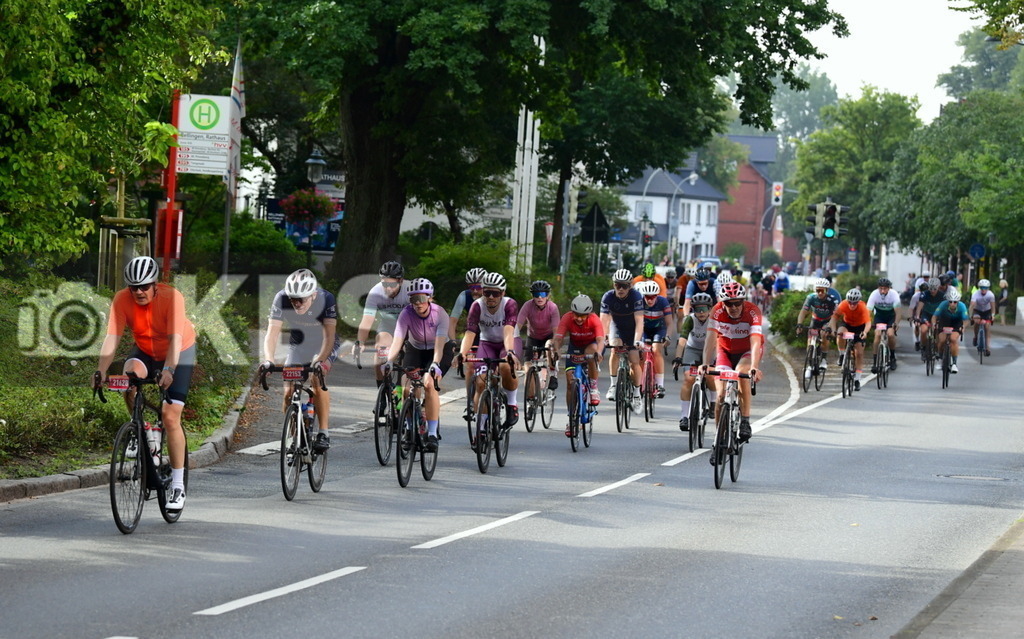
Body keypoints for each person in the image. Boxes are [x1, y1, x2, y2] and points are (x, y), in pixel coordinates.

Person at [94, 256, 195, 511]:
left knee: (170, 416)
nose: (138, 292)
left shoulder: (172, 298)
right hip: (145, 350)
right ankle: (141, 430)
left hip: (179, 351)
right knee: (129, 380)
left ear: (155, 285)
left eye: (144, 286)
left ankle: (178, 485)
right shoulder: (121, 300)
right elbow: (112, 337)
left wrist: (169, 370)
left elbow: (175, 340)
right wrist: (100, 371)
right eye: (133, 287)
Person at [261, 268, 340, 454]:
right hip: (299, 345)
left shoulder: (326, 299)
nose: (296, 303)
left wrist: (320, 360)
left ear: (313, 294)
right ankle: (294, 437)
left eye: (300, 299)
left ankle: (324, 433)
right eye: (292, 299)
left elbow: (329, 337)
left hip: (324, 344)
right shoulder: (281, 298)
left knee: (317, 378)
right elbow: (272, 334)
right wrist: (269, 360)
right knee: (288, 392)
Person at [383, 279, 450, 451]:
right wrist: (389, 361)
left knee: (429, 384)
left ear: (429, 298)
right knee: (405, 387)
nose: (418, 303)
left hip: (439, 349)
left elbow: (439, 345)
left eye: (421, 298)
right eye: (413, 299)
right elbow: (398, 340)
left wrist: (435, 363)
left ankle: (432, 434)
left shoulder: (439, 313)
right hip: (416, 348)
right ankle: (409, 427)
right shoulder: (406, 313)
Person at [702, 281, 763, 444]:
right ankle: (718, 438)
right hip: (725, 350)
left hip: (747, 351)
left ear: (743, 301)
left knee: (742, 373)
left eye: (738, 303)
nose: (734, 307)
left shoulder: (753, 312)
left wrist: (754, 367)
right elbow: (710, 339)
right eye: (729, 303)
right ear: (723, 303)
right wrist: (705, 363)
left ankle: (745, 420)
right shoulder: (716, 311)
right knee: (720, 395)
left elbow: (755, 341)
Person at [459, 271, 520, 432]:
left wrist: (510, 352)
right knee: (480, 383)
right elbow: (470, 333)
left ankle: (512, 404)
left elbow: (508, 331)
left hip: (508, 342)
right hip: (487, 343)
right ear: (483, 292)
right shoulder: (477, 306)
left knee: (505, 366)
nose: (491, 297)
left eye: (495, 293)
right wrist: (462, 353)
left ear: (503, 293)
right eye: (487, 293)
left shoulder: (509, 304)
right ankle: (481, 429)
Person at [550, 294, 604, 436]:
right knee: (570, 381)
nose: (579, 318)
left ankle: (593, 387)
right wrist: (556, 350)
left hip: (591, 346)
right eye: (576, 315)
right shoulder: (567, 318)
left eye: (583, 316)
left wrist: (599, 352)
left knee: (591, 351)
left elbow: (600, 339)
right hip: (574, 348)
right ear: (572, 312)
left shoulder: (594, 319)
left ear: (588, 314)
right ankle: (572, 418)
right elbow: (559, 338)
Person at [354, 261, 409, 385]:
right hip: (388, 325)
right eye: (385, 283)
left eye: (392, 284)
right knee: (381, 350)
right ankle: (382, 387)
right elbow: (367, 320)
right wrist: (360, 342)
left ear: (400, 281)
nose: (388, 288)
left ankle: (406, 386)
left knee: (409, 354)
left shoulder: (409, 290)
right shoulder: (375, 292)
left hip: (409, 327)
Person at [600, 269, 644, 413]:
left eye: (624, 286)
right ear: (614, 285)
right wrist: (604, 337)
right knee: (615, 348)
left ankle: (636, 394)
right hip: (617, 326)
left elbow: (639, 321)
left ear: (630, 286)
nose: (620, 289)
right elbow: (604, 320)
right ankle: (613, 385)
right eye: (617, 285)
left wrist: (637, 340)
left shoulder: (636, 296)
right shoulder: (608, 296)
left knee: (634, 359)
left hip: (633, 329)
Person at [672, 292, 716, 432]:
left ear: (710, 309)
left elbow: (720, 340)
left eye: (704, 309)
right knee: (688, 378)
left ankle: (713, 403)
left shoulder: (714, 320)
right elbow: (682, 340)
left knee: (710, 374)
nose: (701, 312)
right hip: (692, 349)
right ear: (693, 310)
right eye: (698, 309)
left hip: (711, 349)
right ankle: (684, 416)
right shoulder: (690, 319)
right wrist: (678, 358)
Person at [515, 279, 561, 396]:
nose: (540, 297)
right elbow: (517, 325)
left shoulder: (552, 307)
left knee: (549, 346)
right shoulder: (527, 306)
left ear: (547, 296)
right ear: (533, 296)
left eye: (543, 294)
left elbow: (556, 331)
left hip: (548, 336)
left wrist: (555, 347)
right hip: (533, 337)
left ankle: (553, 373)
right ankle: (531, 398)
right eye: (536, 294)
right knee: (528, 366)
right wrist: (513, 340)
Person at [795, 277, 842, 378]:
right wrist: (799, 324)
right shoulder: (811, 298)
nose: (820, 293)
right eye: (818, 290)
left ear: (827, 290)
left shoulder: (832, 300)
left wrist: (830, 328)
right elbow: (803, 312)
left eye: (822, 290)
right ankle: (809, 366)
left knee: (824, 334)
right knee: (810, 342)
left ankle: (824, 359)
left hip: (828, 320)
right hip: (815, 320)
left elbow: (835, 317)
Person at [636, 280, 672, 397]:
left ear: (657, 296)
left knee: (656, 350)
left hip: (659, 329)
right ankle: (639, 382)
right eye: (647, 297)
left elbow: (669, 323)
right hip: (644, 329)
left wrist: (668, 336)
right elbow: (636, 322)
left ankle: (660, 385)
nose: (650, 300)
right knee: (642, 351)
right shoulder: (639, 302)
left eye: (652, 297)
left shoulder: (663, 302)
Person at [832, 288, 870, 391]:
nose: (852, 305)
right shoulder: (843, 304)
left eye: (855, 302)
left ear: (858, 301)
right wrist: (833, 330)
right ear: (847, 300)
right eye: (850, 302)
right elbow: (834, 318)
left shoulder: (863, 307)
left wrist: (865, 332)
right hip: (847, 324)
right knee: (840, 334)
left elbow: (868, 323)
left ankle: (857, 379)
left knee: (859, 354)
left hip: (859, 327)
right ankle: (842, 354)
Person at [867, 277, 901, 372]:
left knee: (890, 334)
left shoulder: (894, 294)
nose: (882, 291)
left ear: (889, 288)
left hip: (891, 317)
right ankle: (875, 362)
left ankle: (892, 357)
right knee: (877, 335)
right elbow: (868, 311)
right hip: (879, 317)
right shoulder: (874, 294)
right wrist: (867, 323)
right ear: (878, 288)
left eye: (885, 288)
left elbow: (898, 312)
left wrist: (896, 323)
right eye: (880, 288)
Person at [932, 288, 969, 373]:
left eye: (955, 302)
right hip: (944, 322)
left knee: (953, 339)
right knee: (942, 340)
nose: (952, 304)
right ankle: (940, 358)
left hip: (956, 323)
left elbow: (965, 320)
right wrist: (934, 325)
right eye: (950, 302)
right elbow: (934, 316)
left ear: (958, 302)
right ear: (947, 301)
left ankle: (954, 364)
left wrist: (963, 327)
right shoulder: (943, 304)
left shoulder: (962, 306)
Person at [447, 267, 487, 341]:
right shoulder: (464, 296)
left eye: (479, 287)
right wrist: (452, 342)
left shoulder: (493, 297)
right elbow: (452, 322)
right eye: (471, 287)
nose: (475, 290)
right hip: (474, 334)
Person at [968, 279, 996, 357]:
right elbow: (972, 306)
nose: (983, 289)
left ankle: (987, 348)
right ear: (979, 288)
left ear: (988, 288)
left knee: (987, 327)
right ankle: (976, 336)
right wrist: (970, 315)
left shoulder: (991, 295)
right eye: (982, 287)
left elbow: (993, 307)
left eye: (985, 288)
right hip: (977, 310)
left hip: (987, 311)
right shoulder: (975, 294)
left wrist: (993, 315)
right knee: (976, 322)